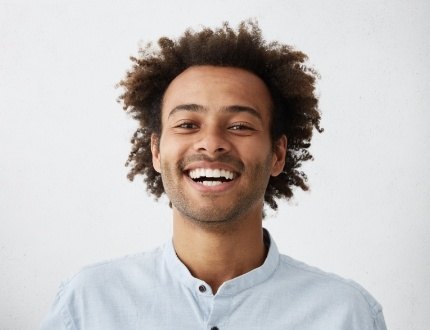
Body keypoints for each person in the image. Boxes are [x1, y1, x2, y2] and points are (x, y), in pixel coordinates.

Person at [40, 20, 386, 329]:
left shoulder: (346, 314)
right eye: (188, 124)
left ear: (278, 154)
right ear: (157, 151)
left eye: (239, 125)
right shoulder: (87, 305)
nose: (211, 143)